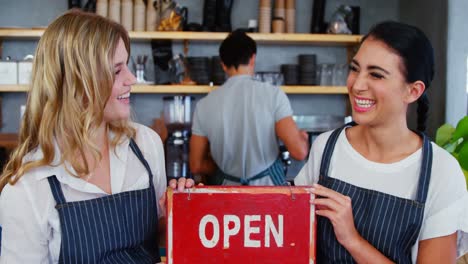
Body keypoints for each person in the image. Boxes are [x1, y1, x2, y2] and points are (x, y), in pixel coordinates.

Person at [0, 10, 191, 263]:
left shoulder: (146, 145)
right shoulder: (28, 188)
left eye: (128, 66)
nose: (132, 79)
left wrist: (182, 213)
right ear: (77, 83)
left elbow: (156, 238)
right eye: (116, 71)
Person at [295, 21, 468, 263]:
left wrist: (352, 240)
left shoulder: (441, 172)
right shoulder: (326, 148)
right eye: (355, 69)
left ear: (413, 91)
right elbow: (294, 241)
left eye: (376, 74)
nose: (357, 85)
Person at [190, 29, 309, 186]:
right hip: (268, 193)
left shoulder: (203, 105)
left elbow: (196, 165)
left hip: (226, 192)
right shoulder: (273, 95)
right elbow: (299, 152)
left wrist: (221, 167)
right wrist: (303, 138)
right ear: (253, 58)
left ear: (223, 65)